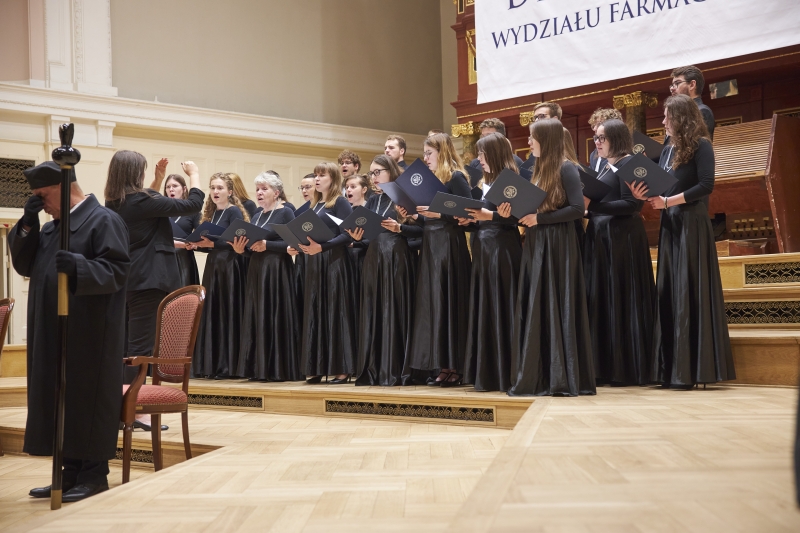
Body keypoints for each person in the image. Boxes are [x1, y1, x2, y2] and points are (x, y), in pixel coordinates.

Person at [11, 161, 130, 502]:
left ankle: (93, 475)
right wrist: (28, 223)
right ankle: (69, 472)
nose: (41, 203)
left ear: (63, 188)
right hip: (52, 330)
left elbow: (117, 271)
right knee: (61, 399)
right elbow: (24, 264)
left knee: (85, 397)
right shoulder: (53, 228)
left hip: (89, 331)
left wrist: (79, 266)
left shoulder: (103, 220)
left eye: (43, 196)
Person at [629, 94, 734, 388]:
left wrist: (668, 202)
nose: (663, 121)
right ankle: (672, 369)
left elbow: (706, 185)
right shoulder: (667, 149)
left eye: (667, 116)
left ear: (681, 118)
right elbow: (663, 188)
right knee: (671, 290)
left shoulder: (701, 145)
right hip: (671, 224)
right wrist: (644, 194)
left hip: (691, 223)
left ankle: (694, 370)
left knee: (689, 288)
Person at [105, 151, 205, 431]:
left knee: (127, 346)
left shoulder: (115, 201)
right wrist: (194, 174)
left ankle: (122, 407)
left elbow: (146, 201)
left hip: (127, 279)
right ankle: (134, 411)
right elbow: (193, 204)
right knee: (139, 348)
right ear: (134, 173)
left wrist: (158, 179)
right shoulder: (141, 201)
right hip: (148, 280)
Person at [509, 118, 595, 397]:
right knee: (539, 304)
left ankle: (560, 376)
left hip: (558, 243)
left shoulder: (566, 167)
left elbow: (576, 209)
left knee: (557, 303)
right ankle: (541, 374)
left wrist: (540, 219)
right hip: (537, 242)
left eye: (532, 137)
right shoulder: (537, 168)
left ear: (545, 139)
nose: (529, 142)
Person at [584, 119, 655, 386]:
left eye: (602, 137)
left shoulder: (630, 163)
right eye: (595, 137)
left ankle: (624, 368)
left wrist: (591, 209)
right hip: (603, 239)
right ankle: (604, 366)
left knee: (621, 299)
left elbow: (630, 206)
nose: (597, 142)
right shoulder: (604, 164)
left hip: (621, 240)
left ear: (616, 138)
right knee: (604, 299)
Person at [402, 133, 472, 387]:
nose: (426, 158)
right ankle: (442, 364)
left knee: (449, 301)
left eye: (429, 153)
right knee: (434, 304)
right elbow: (428, 220)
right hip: (431, 246)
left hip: (449, 246)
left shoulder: (456, 177)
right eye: (424, 154)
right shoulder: (431, 181)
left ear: (442, 152)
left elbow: (467, 213)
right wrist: (415, 216)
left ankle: (456, 366)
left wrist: (439, 213)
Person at [457, 132, 522, 392]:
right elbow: (486, 218)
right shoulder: (486, 181)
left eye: (482, 154)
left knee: (501, 305)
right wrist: (471, 221)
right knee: (486, 305)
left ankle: (505, 372)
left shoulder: (510, 178)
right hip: (484, 249)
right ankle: (487, 371)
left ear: (494, 154)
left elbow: (517, 218)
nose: (479, 159)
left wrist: (490, 216)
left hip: (502, 250)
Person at [347, 155, 416, 386]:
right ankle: (375, 368)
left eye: (378, 172)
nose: (374, 177)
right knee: (375, 309)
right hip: (374, 257)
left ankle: (396, 368)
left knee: (394, 308)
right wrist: (357, 237)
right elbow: (370, 234)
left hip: (396, 257)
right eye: (372, 173)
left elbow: (423, 231)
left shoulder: (404, 196)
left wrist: (401, 228)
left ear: (391, 171)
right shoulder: (373, 201)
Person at [292, 162, 357, 384]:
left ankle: (342, 369)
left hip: (334, 262)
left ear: (334, 178)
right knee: (316, 312)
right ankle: (318, 366)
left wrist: (322, 247)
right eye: (316, 175)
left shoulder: (340, 202)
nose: (317, 179)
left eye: (322, 175)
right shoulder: (314, 204)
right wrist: (296, 245)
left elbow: (347, 235)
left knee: (335, 313)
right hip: (315, 263)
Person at [233, 172, 302, 382]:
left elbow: (296, 243)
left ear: (276, 192)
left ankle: (278, 369)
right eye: (258, 189)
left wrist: (268, 245)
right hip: (257, 269)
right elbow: (253, 249)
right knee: (258, 315)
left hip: (277, 271)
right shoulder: (256, 216)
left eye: (264, 189)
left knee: (275, 314)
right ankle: (258, 368)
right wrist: (241, 250)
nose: (259, 193)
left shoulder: (286, 212)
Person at [188, 173, 249, 379]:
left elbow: (236, 241)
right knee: (213, 312)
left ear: (230, 192)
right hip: (214, 266)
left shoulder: (233, 212)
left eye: (220, 188)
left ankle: (228, 366)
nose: (215, 191)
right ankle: (212, 365)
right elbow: (211, 245)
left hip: (230, 266)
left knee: (227, 311)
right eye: (213, 187)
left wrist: (212, 243)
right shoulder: (212, 214)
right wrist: (196, 244)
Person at [164, 173, 201, 287]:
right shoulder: (160, 211)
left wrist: (194, 244)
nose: (171, 189)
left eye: (175, 186)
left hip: (184, 259)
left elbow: (203, 236)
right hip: (164, 259)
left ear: (184, 189)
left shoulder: (193, 212)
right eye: (168, 187)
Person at [466, 118, 525, 186]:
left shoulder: (515, 162)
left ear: (500, 138)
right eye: (483, 136)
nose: (484, 140)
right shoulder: (475, 163)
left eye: (489, 136)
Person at [669, 65, 715, 140]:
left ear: (692, 85)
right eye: (672, 85)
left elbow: (692, 144)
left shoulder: (702, 111)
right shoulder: (678, 113)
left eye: (677, 83)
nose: (672, 88)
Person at [587, 108, 623, 172]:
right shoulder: (594, 154)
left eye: (599, 124)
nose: (594, 128)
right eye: (594, 125)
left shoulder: (625, 154)